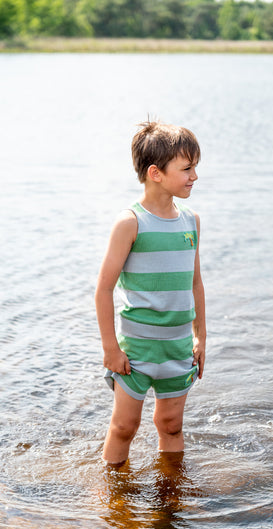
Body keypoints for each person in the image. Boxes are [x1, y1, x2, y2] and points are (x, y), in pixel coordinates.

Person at [95, 120, 206, 466]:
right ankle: (115, 502)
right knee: (125, 426)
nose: (194, 176)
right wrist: (111, 349)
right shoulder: (131, 223)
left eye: (195, 168)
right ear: (156, 173)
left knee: (171, 425)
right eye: (187, 168)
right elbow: (103, 290)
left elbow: (196, 283)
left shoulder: (191, 221)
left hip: (177, 347)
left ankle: (170, 497)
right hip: (137, 350)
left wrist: (200, 337)